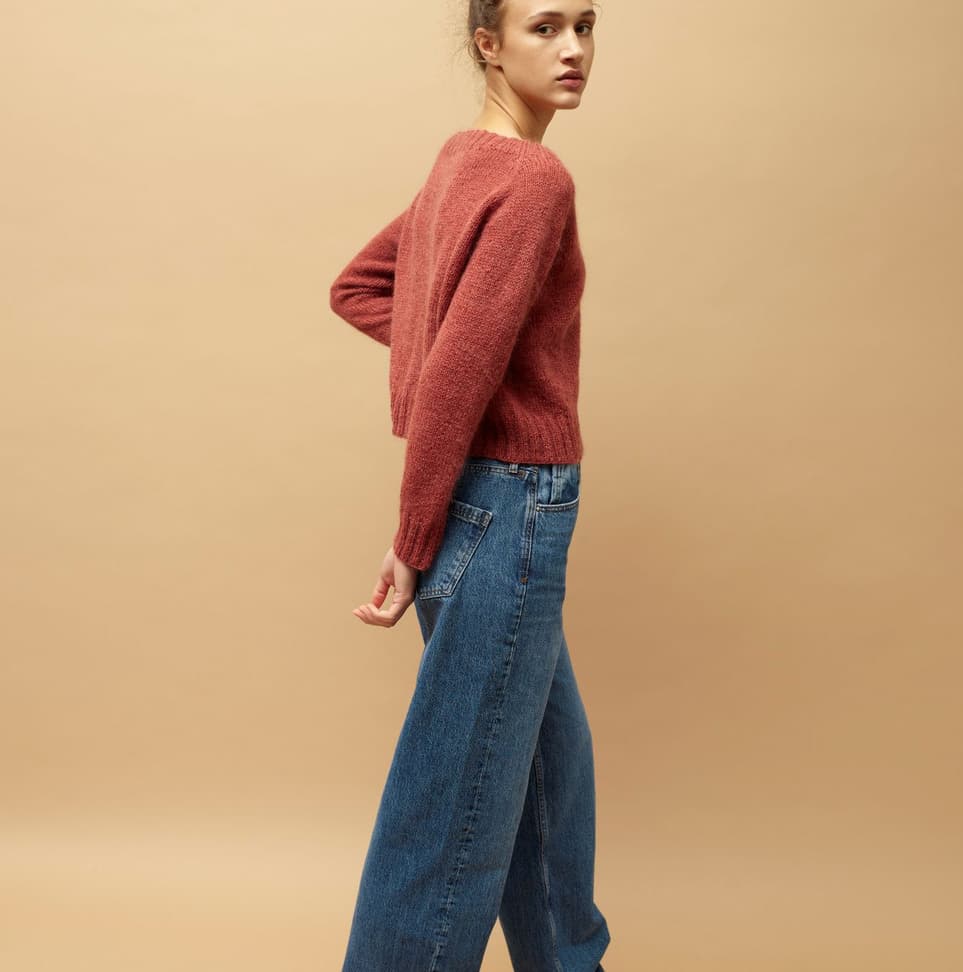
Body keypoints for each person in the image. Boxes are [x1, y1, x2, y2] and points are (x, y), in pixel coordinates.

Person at [328, 1, 610, 968]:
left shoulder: (461, 161)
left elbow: (361, 289)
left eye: (585, 25)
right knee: (454, 795)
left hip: (482, 503)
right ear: (488, 45)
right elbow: (458, 370)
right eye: (545, 28)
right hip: (513, 504)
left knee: (545, 776)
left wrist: (450, 348)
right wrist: (413, 541)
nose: (573, 49)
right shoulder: (534, 178)